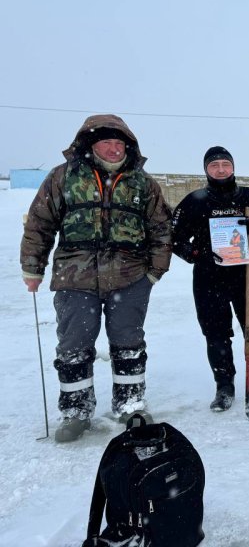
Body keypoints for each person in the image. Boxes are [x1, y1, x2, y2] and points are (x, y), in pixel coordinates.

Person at [20, 114, 172, 442]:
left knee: (129, 343)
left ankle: (130, 405)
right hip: (75, 278)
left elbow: (161, 228)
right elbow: (39, 223)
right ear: (91, 144)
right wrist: (33, 267)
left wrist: (154, 273)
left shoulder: (143, 183)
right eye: (106, 142)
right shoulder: (63, 177)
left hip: (130, 277)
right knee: (73, 345)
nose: (114, 149)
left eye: (119, 143)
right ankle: (76, 411)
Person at [171, 146, 249, 415]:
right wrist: (197, 254)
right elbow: (174, 237)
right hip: (208, 278)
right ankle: (224, 387)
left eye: (225, 164)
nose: (221, 169)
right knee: (216, 334)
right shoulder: (195, 201)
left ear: (233, 167)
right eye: (214, 165)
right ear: (206, 170)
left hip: (244, 275)